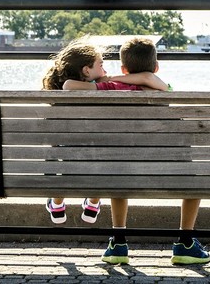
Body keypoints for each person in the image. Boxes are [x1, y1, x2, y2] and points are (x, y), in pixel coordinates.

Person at [63, 37, 210, 266]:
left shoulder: (109, 88)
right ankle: (186, 242)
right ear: (157, 66)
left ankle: (119, 242)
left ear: (123, 69)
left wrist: (107, 78)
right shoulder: (164, 89)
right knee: (193, 178)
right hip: (168, 171)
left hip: (124, 169)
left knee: (118, 171)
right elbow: (148, 78)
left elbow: (69, 86)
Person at [42, 40, 168, 224]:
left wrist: (104, 80)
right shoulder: (114, 88)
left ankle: (57, 202)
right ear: (87, 70)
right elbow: (151, 82)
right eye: (101, 65)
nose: (105, 69)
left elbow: (68, 85)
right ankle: (93, 202)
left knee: (62, 157)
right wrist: (111, 80)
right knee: (99, 161)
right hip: (105, 156)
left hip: (71, 155)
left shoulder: (84, 90)